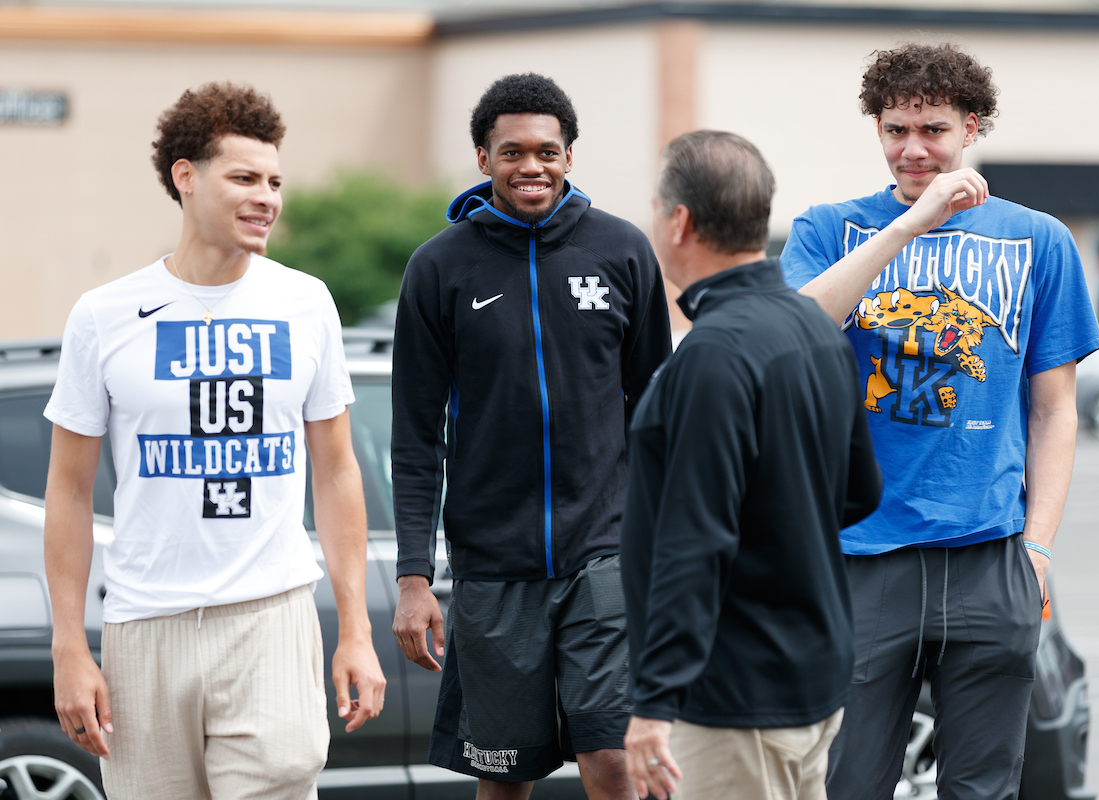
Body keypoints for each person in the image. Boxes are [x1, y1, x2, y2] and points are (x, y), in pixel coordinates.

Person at [778, 43, 1099, 799]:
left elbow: (1055, 410)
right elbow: (794, 331)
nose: (913, 148)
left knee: (983, 788)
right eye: (895, 130)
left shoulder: (1038, 240)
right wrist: (910, 226)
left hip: (991, 557)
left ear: (971, 128)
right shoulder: (831, 230)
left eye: (932, 130)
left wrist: (1039, 548)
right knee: (845, 783)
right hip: (860, 553)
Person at [43, 82, 386, 800]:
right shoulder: (103, 317)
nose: (267, 197)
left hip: (271, 619)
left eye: (274, 181)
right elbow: (69, 491)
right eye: (244, 178)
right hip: (144, 629)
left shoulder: (305, 303)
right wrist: (69, 647)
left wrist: (355, 628)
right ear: (186, 177)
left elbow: (336, 472)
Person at [390, 73, 672, 799]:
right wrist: (414, 577)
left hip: (604, 555)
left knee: (612, 760)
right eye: (511, 152)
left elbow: (657, 410)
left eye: (547, 151)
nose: (531, 167)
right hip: (492, 568)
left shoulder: (622, 251)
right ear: (483, 159)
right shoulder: (439, 268)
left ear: (570, 156)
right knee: (504, 778)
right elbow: (417, 436)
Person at [620, 130, 883, 800]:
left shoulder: (713, 355)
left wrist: (654, 701)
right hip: (813, 676)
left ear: (678, 221)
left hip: (731, 695)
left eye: (657, 207)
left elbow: (693, 540)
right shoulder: (814, 330)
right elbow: (860, 491)